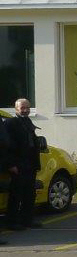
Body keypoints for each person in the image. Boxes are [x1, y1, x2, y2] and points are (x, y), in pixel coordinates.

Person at [3, 99, 41, 231]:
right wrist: (11, 164)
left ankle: (27, 220)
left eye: (27, 108)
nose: (25, 110)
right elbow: (6, 146)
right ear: (16, 109)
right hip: (17, 164)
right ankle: (12, 222)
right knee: (16, 194)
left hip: (30, 164)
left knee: (29, 194)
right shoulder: (10, 123)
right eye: (22, 108)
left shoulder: (28, 121)